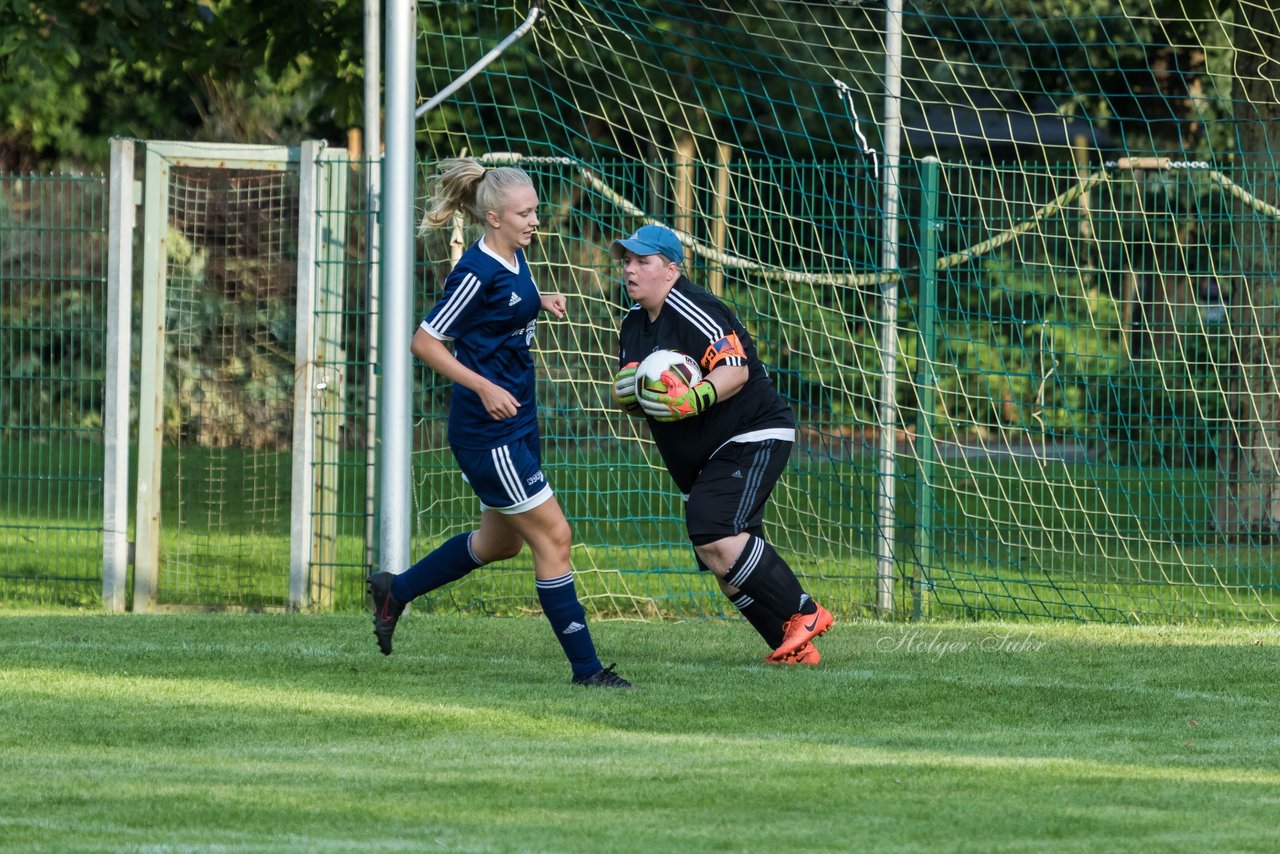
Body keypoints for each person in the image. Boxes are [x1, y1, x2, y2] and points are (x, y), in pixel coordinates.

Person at [366, 157, 632, 688]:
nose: (535, 221)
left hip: (517, 420)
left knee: (501, 544)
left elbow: (503, 312)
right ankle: (587, 671)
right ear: (493, 219)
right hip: (489, 433)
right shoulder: (475, 270)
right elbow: (425, 342)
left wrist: (539, 301)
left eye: (535, 211)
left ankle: (395, 590)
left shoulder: (514, 258)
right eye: (524, 214)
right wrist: (483, 385)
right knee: (555, 536)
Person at [610, 224, 833, 665]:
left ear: (671, 270)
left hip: (753, 432)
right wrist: (632, 395)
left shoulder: (695, 307)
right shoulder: (633, 323)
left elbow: (736, 370)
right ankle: (792, 650)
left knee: (712, 528)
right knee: (721, 556)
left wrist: (693, 397)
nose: (630, 269)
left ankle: (804, 611)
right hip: (705, 453)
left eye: (642, 261)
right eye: (626, 261)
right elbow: (646, 393)